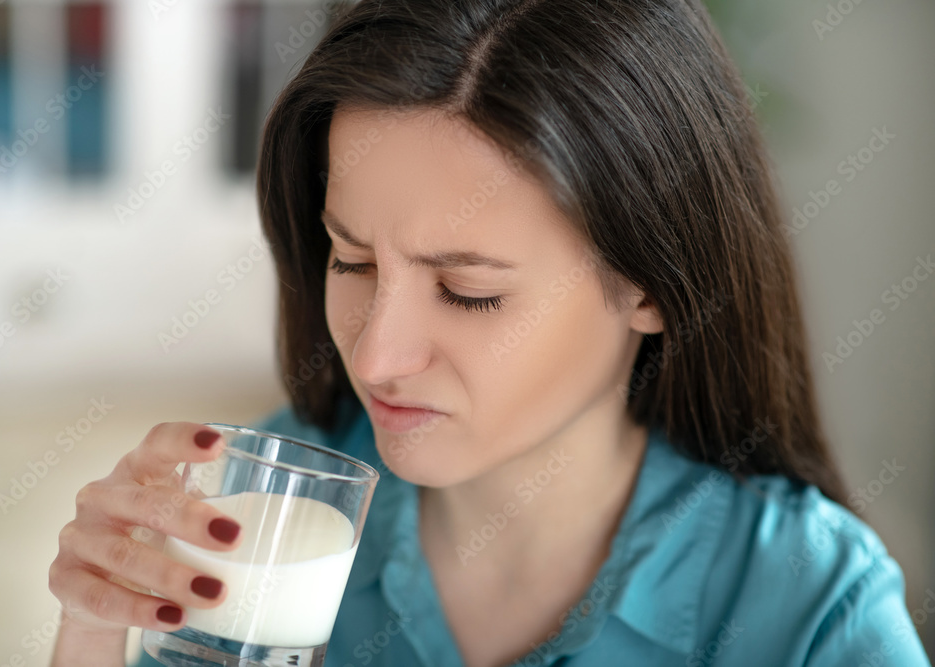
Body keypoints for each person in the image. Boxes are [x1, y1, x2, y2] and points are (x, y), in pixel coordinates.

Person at [48, 0, 932, 665]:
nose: (377, 354)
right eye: (351, 262)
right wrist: (90, 627)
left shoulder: (811, 606)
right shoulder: (271, 519)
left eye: (467, 291)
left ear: (652, 285)